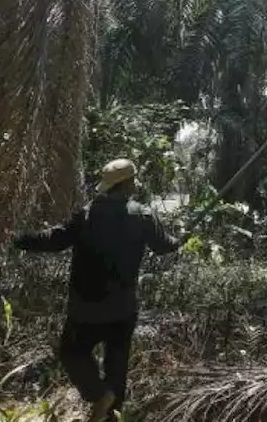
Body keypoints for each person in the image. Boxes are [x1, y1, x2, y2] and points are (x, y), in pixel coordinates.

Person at [13, 158, 183, 422]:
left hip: (86, 307)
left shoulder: (87, 214)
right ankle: (111, 410)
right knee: (117, 366)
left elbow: (55, 240)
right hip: (122, 309)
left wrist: (19, 239)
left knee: (72, 353)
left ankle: (99, 396)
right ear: (127, 184)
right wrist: (180, 239)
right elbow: (164, 247)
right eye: (133, 180)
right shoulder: (144, 216)